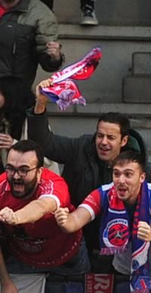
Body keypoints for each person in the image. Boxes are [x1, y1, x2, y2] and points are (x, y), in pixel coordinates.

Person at [0, 140, 89, 293]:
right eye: (11, 169)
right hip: (25, 260)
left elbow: (42, 206)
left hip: (67, 258)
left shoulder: (54, 185)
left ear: (40, 172)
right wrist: (5, 281)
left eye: (24, 170)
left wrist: (16, 217)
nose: (16, 177)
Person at [28, 100, 138, 267]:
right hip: (76, 243)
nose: (103, 142)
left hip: (121, 251)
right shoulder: (80, 148)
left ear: (123, 141)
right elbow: (44, 144)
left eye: (111, 138)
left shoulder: (141, 170)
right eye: (100, 135)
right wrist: (40, 106)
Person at [54, 148, 151, 277]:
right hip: (123, 269)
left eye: (128, 174)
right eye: (116, 174)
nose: (121, 180)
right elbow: (77, 219)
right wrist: (65, 221)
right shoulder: (104, 193)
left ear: (142, 177)